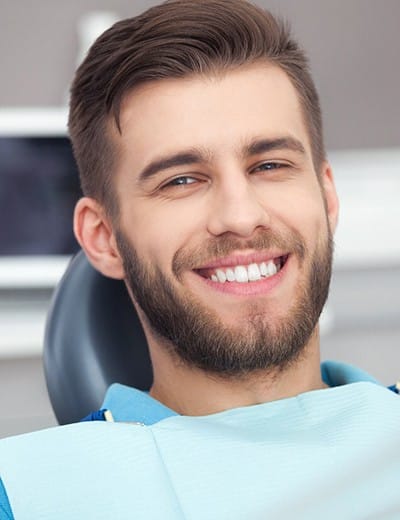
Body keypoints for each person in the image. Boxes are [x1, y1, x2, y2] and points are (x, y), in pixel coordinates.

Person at [1, 1, 399, 518]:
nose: (240, 215)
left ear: (327, 198)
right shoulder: (25, 494)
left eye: (270, 164)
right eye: (181, 180)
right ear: (103, 238)